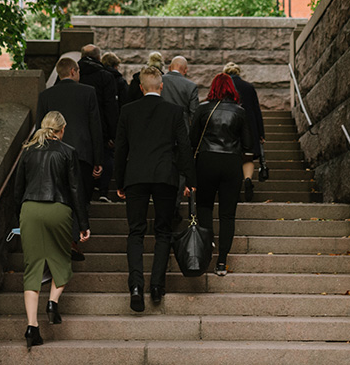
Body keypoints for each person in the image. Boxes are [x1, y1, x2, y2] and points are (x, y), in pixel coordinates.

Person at [115, 66, 197, 310]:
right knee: (163, 231)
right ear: (161, 86)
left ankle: (136, 286)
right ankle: (157, 286)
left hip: (136, 176)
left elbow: (121, 149)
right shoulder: (174, 111)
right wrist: (190, 180)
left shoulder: (128, 111)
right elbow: (184, 146)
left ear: (141, 88)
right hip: (165, 175)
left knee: (136, 232)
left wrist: (119, 182)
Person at [13, 111, 90, 350]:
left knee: (32, 267)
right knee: (62, 259)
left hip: (30, 209)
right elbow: (76, 189)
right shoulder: (68, 152)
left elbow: (17, 188)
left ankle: (32, 327)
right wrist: (83, 224)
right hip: (58, 208)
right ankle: (53, 302)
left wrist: (19, 217)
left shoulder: (27, 151)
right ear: (62, 129)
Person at [37, 56, 102, 259]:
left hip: (52, 154)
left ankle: (58, 240)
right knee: (78, 196)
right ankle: (72, 239)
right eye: (79, 71)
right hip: (82, 154)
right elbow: (95, 126)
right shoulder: (88, 92)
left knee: (58, 196)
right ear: (73, 71)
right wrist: (98, 159)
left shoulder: (46, 95)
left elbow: (39, 127)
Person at [189, 72, 251, 276]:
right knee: (227, 214)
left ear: (213, 88)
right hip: (231, 162)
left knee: (204, 207)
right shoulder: (240, 112)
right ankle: (222, 261)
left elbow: (192, 140)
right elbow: (248, 144)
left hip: (207, 160)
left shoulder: (203, 108)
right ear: (232, 89)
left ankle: (207, 247)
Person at [78, 45, 119, 202]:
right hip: (101, 125)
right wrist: (113, 133)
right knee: (106, 155)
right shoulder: (105, 76)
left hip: (79, 125)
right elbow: (110, 106)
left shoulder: (75, 73)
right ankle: (103, 190)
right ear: (98, 57)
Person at [223, 62, 265, 202]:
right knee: (247, 157)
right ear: (238, 72)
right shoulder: (249, 87)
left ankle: (233, 187)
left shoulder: (224, 87)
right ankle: (247, 179)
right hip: (250, 127)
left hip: (230, 125)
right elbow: (256, 110)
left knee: (232, 157)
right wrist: (261, 133)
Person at [162, 55, 199, 125]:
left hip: (162, 124)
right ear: (185, 70)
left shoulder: (159, 80)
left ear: (169, 68)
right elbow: (194, 114)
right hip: (182, 126)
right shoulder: (191, 86)